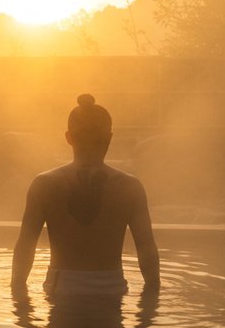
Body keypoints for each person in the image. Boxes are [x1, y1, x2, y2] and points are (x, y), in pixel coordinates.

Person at [11, 93, 159, 297]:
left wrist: (19, 301)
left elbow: (25, 247)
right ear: (110, 137)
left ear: (69, 137)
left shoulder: (44, 184)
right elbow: (146, 250)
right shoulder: (129, 187)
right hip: (112, 287)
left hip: (61, 288)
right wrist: (149, 311)